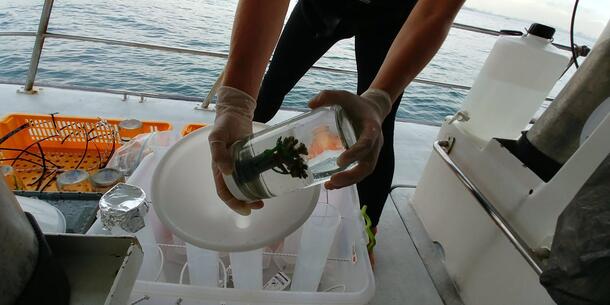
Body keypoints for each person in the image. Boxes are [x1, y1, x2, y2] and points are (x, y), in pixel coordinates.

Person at [209, 0, 465, 262]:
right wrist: (236, 102)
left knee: (375, 129)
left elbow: (436, 9)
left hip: (391, 16)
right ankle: (232, 174)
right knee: (263, 97)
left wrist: (379, 100)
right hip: (320, 5)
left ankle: (368, 228)